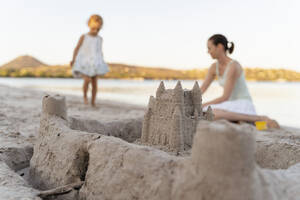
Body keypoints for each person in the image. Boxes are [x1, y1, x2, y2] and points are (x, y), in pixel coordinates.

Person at [201, 34, 279, 128]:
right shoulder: (214, 67)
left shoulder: (233, 66)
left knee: (209, 113)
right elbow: (201, 89)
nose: (208, 51)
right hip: (228, 106)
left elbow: (225, 97)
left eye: (209, 48)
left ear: (220, 47)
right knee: (205, 113)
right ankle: (243, 122)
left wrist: (202, 105)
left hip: (242, 104)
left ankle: (258, 118)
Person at [70, 14, 109, 107]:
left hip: (95, 62)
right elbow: (77, 48)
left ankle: (93, 102)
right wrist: (73, 59)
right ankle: (85, 97)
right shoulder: (84, 36)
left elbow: (99, 51)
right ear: (89, 25)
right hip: (84, 62)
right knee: (87, 80)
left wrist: (102, 61)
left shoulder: (100, 39)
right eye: (94, 28)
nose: (96, 31)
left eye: (98, 29)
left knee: (95, 83)